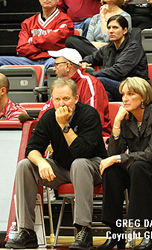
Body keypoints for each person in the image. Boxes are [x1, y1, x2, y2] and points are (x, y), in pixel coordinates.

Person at [5, 78, 107, 249]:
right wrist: (42, 163)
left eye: (66, 99)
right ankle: (27, 231)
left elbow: (82, 152)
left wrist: (64, 125)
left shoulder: (89, 114)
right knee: (25, 165)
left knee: (79, 164)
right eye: (57, 99)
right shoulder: (48, 117)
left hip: (93, 167)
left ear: (76, 98)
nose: (61, 104)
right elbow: (31, 148)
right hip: (61, 169)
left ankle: (84, 230)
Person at [98, 77, 152, 250]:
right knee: (112, 171)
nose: (125, 98)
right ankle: (116, 233)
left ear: (143, 97)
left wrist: (117, 158)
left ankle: (151, 233)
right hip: (138, 170)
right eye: (123, 94)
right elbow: (114, 154)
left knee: (138, 167)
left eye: (130, 94)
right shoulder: (126, 118)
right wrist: (116, 124)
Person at [37, 48, 112, 137]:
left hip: (90, 140)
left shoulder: (90, 83)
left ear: (67, 66)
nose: (53, 69)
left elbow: (93, 121)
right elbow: (44, 116)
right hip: (64, 137)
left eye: (56, 65)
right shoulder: (61, 86)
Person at [82, 15, 149, 102]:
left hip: (135, 87)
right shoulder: (109, 47)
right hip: (117, 86)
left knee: (99, 81)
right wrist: (84, 62)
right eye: (109, 28)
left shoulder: (134, 47)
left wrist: (92, 75)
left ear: (125, 30)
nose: (111, 31)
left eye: (115, 28)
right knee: (104, 94)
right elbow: (92, 57)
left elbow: (119, 71)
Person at [0, 0, 74, 69]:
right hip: (29, 60)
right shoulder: (28, 22)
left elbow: (56, 40)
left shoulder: (65, 20)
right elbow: (21, 48)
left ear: (58, 0)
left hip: (52, 59)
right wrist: (45, 48)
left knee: (60, 64)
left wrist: (33, 41)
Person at [65, 0, 131, 58]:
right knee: (70, 40)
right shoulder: (96, 17)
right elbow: (89, 41)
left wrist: (103, 18)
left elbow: (108, 38)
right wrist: (102, 44)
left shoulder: (124, 17)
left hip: (112, 52)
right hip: (94, 50)